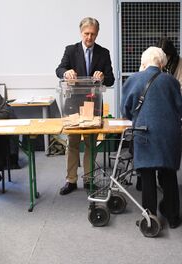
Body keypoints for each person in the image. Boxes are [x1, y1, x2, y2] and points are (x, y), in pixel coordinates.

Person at [121, 47, 182, 228]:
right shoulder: (171, 81)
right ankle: (173, 217)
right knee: (168, 173)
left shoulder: (132, 80)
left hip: (144, 132)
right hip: (168, 134)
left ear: (143, 62)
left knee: (147, 174)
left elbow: (125, 110)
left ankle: (150, 218)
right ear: (162, 63)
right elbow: (179, 109)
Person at [55, 17, 115, 195]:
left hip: (93, 105)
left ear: (97, 34)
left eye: (93, 34)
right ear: (81, 32)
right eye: (86, 33)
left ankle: (89, 180)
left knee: (90, 143)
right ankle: (71, 180)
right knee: (72, 143)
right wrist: (66, 72)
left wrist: (103, 76)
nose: (89, 37)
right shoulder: (71, 50)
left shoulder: (103, 53)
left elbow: (111, 79)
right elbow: (59, 69)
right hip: (73, 105)